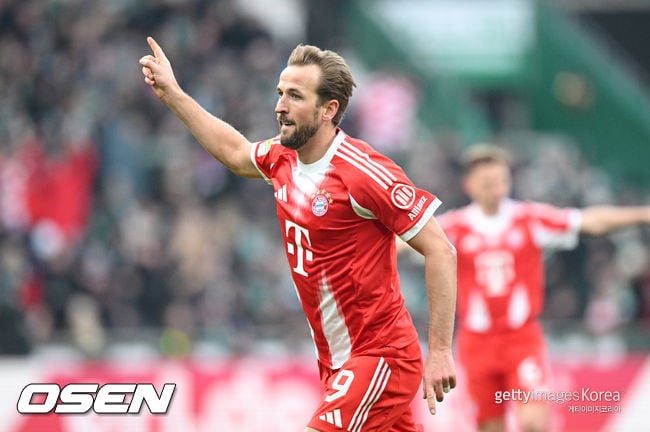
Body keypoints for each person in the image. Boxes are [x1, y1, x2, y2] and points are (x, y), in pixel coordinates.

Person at [139, 37, 457, 432]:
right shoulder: (282, 157)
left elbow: (440, 249)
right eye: (280, 93)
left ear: (328, 110)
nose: (280, 106)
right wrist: (173, 94)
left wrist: (440, 351)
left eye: (295, 96)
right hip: (336, 363)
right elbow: (235, 152)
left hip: (381, 356)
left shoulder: (364, 173)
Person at [433, 143, 650, 432]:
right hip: (476, 343)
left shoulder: (529, 219)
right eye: (487, 183)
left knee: (534, 422)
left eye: (500, 181)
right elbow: (407, 241)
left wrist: (642, 214)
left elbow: (590, 221)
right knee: (489, 427)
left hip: (521, 339)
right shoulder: (454, 227)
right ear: (469, 185)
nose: (496, 189)